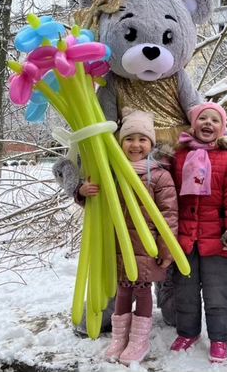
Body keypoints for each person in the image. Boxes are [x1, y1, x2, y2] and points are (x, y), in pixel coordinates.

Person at [78, 108, 178, 365]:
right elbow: (96, 203)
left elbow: (169, 214)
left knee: (142, 291)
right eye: (129, 139)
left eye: (142, 139)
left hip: (147, 246)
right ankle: (119, 338)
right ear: (120, 142)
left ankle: (139, 340)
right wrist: (83, 191)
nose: (135, 145)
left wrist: (166, 247)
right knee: (122, 290)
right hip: (117, 244)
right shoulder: (109, 171)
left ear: (151, 143)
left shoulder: (159, 174)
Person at [170, 102, 227, 363]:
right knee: (185, 291)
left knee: (217, 292)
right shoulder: (179, 157)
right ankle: (188, 332)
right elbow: (168, 196)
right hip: (185, 237)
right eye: (203, 118)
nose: (208, 124)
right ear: (194, 125)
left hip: (217, 240)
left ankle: (219, 337)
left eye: (215, 120)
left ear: (222, 128)